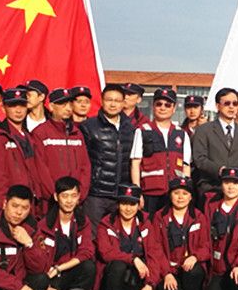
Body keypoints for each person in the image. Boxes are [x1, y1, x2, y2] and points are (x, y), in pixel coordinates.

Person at [23, 176, 97, 290]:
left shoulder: (82, 221)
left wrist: (60, 268)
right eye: (65, 196)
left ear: (79, 197)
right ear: (56, 197)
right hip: (48, 275)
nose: (69, 201)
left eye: (73, 196)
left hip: (66, 271)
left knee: (88, 267)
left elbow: (87, 251)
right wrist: (48, 285)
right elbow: (38, 262)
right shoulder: (44, 225)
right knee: (41, 283)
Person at [149, 178, 209, 290]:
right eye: (176, 193)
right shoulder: (159, 217)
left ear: (191, 197)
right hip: (168, 268)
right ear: (170, 195)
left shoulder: (199, 217)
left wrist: (195, 256)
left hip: (187, 268)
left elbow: (207, 246)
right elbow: (155, 249)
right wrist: (166, 273)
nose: (180, 197)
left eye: (185, 193)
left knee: (195, 270)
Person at [96, 185, 157, 290]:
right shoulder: (106, 223)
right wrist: (133, 259)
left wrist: (150, 284)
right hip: (112, 275)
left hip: (135, 276)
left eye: (132, 204)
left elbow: (155, 253)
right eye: (124, 203)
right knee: (118, 265)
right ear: (118, 204)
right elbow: (106, 253)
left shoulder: (146, 223)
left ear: (138, 205)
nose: (128, 209)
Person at [0, 87, 52, 216]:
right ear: (3, 108)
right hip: (13, 207)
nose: (18, 110)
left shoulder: (29, 136)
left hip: (33, 204)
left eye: (22, 105)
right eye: (13, 105)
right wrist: (3, 205)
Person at [130, 88, 191, 215]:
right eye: (159, 104)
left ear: (174, 108)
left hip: (174, 194)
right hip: (149, 193)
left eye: (167, 105)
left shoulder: (181, 133)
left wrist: (185, 191)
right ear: (153, 107)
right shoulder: (142, 131)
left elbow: (186, 166)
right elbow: (135, 164)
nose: (163, 108)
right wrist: (137, 192)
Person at [81, 84, 135, 226]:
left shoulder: (130, 128)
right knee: (92, 233)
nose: (113, 104)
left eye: (117, 101)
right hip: (96, 194)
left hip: (121, 194)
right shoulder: (88, 126)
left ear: (123, 103)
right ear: (102, 101)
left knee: (115, 233)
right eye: (109, 100)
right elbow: (82, 161)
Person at [191, 87, 238, 197]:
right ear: (217, 106)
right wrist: (219, 170)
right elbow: (199, 158)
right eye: (227, 103)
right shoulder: (204, 130)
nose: (231, 107)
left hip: (236, 191)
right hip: (211, 188)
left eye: (235, 103)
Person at [32, 87, 91, 203]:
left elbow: (85, 166)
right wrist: (55, 195)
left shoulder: (77, 133)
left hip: (75, 200)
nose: (68, 108)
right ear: (51, 106)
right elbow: (40, 169)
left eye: (70, 104)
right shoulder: (40, 133)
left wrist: (79, 195)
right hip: (51, 200)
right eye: (63, 104)